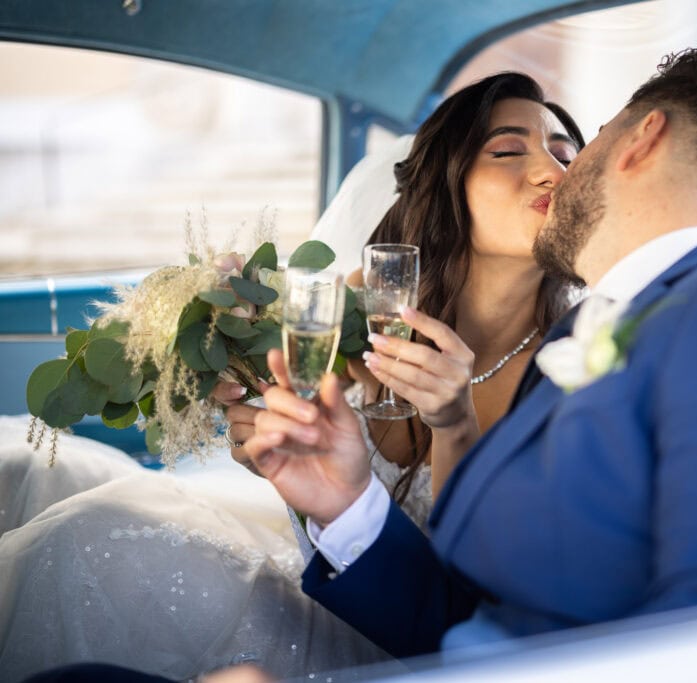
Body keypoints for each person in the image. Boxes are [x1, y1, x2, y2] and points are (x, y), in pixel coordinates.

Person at [246, 46, 697, 659]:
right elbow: (471, 619)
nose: (561, 173)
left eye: (579, 147)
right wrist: (347, 502)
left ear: (641, 137)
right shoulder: (584, 335)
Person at [1, 71, 585, 682]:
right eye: (509, 150)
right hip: (320, 564)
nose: (552, 170)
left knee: (87, 542)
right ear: (446, 179)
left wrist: (453, 424)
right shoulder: (358, 309)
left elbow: (472, 596)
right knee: (24, 472)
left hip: (401, 635)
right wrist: (263, 431)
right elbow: (306, 462)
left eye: (565, 154)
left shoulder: (570, 359)